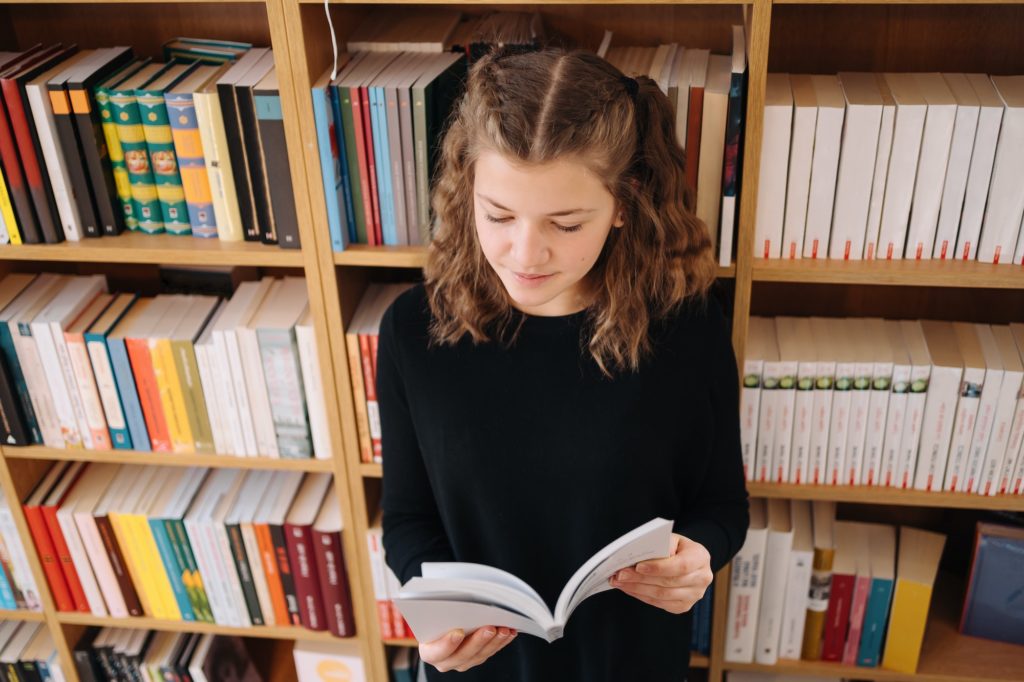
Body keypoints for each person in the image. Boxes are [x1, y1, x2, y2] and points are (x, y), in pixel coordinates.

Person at [379, 47, 750, 681]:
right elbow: (408, 521)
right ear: (467, 187)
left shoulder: (688, 328)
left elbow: (721, 505)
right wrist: (435, 612)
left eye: (567, 223)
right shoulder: (415, 331)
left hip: (629, 663)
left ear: (624, 204)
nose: (525, 253)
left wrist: (701, 554)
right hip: (481, 667)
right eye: (498, 215)